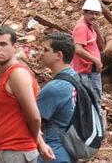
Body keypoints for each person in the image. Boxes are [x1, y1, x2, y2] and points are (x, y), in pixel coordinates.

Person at [0, 25, 54, 163]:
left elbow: (35, 117)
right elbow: (25, 114)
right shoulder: (8, 74)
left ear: (15, 47)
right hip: (8, 151)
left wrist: (38, 143)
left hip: (16, 152)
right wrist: (41, 143)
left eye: (3, 44)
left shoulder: (17, 74)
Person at [37, 32, 80, 163]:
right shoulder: (79, 79)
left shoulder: (54, 88)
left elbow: (33, 120)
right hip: (73, 149)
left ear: (59, 55)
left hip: (53, 152)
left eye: (46, 50)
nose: (41, 53)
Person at [71, 0, 106, 103]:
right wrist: (95, 61)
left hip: (91, 70)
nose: (94, 17)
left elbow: (101, 48)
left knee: (95, 100)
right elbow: (78, 49)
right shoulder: (81, 28)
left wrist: (98, 31)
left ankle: (95, 118)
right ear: (84, 13)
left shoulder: (90, 26)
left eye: (96, 14)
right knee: (89, 101)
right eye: (91, 14)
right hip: (85, 73)